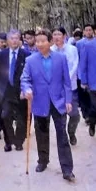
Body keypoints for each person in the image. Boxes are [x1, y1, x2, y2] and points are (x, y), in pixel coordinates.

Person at [21, 30, 75, 182]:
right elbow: (25, 79)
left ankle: (67, 169)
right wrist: (27, 89)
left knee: (62, 136)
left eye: (42, 41)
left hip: (58, 102)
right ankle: (43, 161)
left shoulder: (61, 58)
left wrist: (68, 100)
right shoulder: (30, 60)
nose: (39, 44)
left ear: (50, 42)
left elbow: (67, 81)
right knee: (41, 134)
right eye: (37, 41)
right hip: (39, 102)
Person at [0, 29, 30, 152]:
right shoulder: (1, 55)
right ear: (7, 41)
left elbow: (29, 74)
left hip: (20, 92)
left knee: (21, 119)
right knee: (5, 117)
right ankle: (8, 141)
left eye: (16, 38)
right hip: (6, 92)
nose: (14, 40)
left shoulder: (26, 54)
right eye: (12, 38)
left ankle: (19, 141)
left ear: (19, 40)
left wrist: (25, 90)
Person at [51, 27, 80, 146]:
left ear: (64, 36)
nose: (57, 37)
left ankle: (71, 132)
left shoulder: (72, 49)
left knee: (74, 115)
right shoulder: (50, 50)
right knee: (60, 115)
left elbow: (74, 65)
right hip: (56, 89)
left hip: (70, 88)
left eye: (59, 34)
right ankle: (63, 138)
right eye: (54, 34)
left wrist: (66, 79)